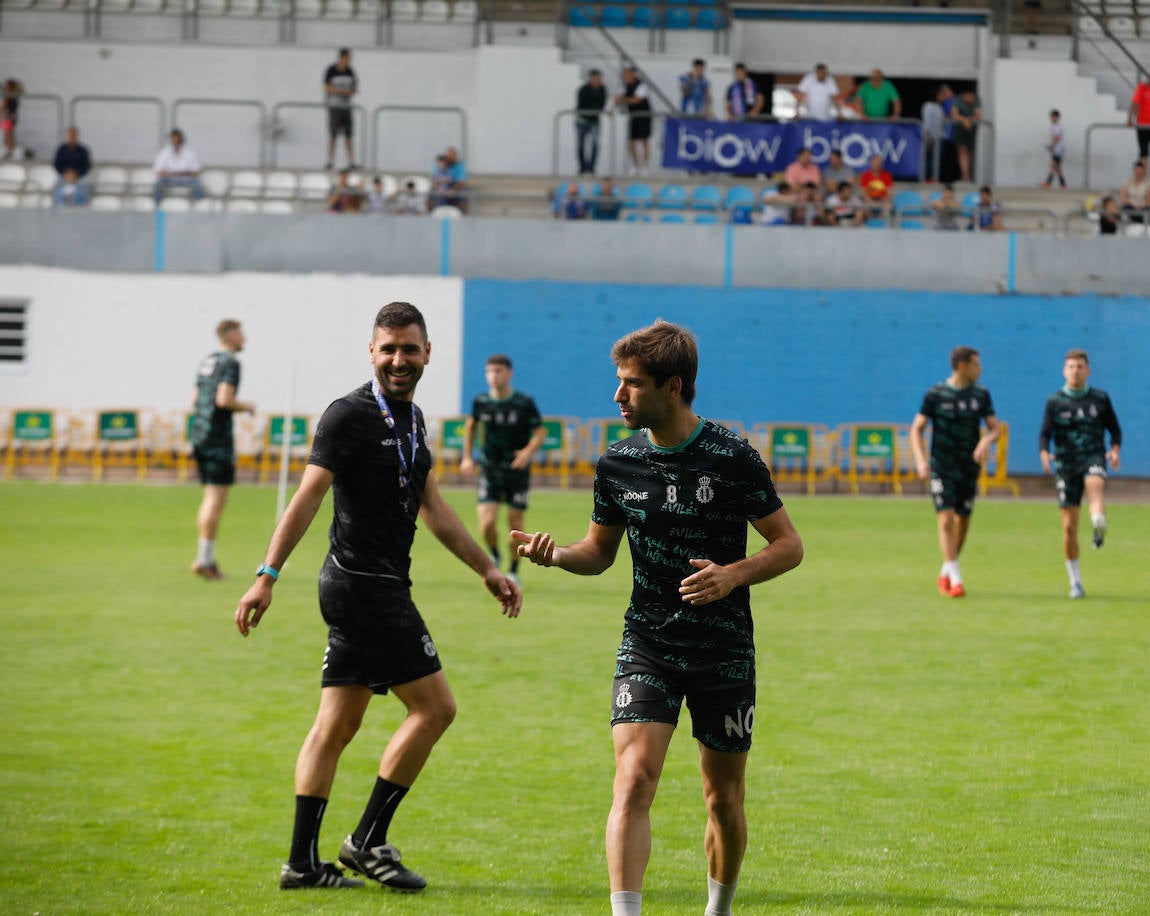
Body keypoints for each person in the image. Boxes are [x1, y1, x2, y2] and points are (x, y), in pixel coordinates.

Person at [510, 319, 804, 916]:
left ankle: (717, 910)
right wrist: (557, 555)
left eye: (632, 384)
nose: (618, 395)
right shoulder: (616, 464)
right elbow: (598, 554)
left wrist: (733, 574)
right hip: (647, 644)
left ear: (673, 387)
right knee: (634, 778)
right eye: (619, 382)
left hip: (724, 650)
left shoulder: (732, 457)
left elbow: (788, 545)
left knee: (722, 797)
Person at [234, 302, 521, 892]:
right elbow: (308, 497)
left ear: (427, 355)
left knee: (335, 727)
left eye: (409, 349)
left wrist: (488, 570)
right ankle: (366, 841)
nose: (398, 359)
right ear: (371, 352)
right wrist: (267, 573)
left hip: (364, 587)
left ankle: (301, 864)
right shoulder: (347, 415)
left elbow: (435, 511)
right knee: (436, 709)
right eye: (388, 348)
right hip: (364, 588)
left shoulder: (414, 422)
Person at [910, 346, 1000, 598]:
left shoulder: (981, 395)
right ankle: (957, 578)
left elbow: (995, 429)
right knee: (946, 518)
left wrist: (985, 441)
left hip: (968, 468)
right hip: (941, 466)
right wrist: (921, 460)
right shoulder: (936, 394)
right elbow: (916, 428)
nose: (980, 370)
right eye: (976, 365)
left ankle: (946, 570)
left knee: (963, 521)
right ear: (962, 366)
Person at [1038, 348, 1122, 599]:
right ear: (1064, 371)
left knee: (1095, 484)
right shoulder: (1055, 401)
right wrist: (1044, 453)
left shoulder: (1100, 399)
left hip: (1093, 456)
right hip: (1066, 463)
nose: (1075, 371)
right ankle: (1075, 580)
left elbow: (1115, 430)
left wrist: (1115, 450)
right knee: (1068, 527)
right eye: (1071, 367)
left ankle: (1098, 522)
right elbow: (1045, 434)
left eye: (1080, 367)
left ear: (1088, 370)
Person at [460, 354, 545, 585]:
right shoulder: (481, 402)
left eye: (498, 371)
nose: (493, 376)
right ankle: (495, 554)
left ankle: (514, 570)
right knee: (486, 524)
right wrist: (467, 457)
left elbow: (540, 432)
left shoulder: (524, 402)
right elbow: (471, 427)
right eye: (489, 371)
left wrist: (527, 452)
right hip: (490, 469)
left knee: (515, 523)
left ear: (509, 374)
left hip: (517, 471)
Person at [189, 319, 255, 581]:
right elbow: (224, 399)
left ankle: (205, 556)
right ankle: (204, 560)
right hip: (217, 439)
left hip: (199, 434)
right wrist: (247, 406)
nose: (245, 339)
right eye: (241, 333)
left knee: (209, 496)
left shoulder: (207, 361)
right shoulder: (230, 362)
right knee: (216, 498)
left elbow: (195, 399)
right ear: (230, 335)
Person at [323, 48, 359, 171]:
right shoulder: (331, 70)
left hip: (346, 107)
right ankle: (330, 161)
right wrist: (343, 91)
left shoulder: (350, 71)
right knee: (333, 134)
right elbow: (327, 88)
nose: (348, 60)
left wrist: (351, 91)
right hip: (334, 107)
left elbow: (354, 88)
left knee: (348, 135)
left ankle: (351, 161)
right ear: (341, 58)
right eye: (347, 58)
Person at [152, 129, 206, 205]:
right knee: (158, 184)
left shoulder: (189, 152)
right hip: (169, 180)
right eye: (174, 139)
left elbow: (196, 172)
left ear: (181, 139)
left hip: (186, 180)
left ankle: (198, 207)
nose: (176, 141)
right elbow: (159, 172)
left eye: (177, 139)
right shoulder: (164, 152)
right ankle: (157, 208)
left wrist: (177, 173)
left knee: (198, 184)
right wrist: (177, 173)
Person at [614, 68, 652, 177]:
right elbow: (618, 98)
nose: (626, 77)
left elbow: (637, 100)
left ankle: (644, 166)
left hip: (644, 116)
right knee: (631, 142)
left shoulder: (641, 86)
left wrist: (623, 99)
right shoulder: (624, 86)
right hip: (633, 116)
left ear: (633, 75)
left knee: (644, 141)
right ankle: (635, 165)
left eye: (628, 75)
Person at [576, 70, 608, 175]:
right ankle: (582, 167)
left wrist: (594, 110)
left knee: (595, 144)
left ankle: (591, 167)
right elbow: (582, 105)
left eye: (598, 78)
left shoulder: (602, 89)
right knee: (581, 145)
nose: (597, 81)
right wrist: (594, 110)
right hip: (582, 120)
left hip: (594, 121)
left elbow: (601, 104)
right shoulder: (583, 89)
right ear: (591, 79)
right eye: (595, 78)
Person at [951, 87, 982, 182]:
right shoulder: (958, 99)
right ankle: (965, 175)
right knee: (962, 151)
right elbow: (954, 114)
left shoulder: (977, 100)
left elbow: (978, 115)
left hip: (971, 130)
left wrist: (969, 120)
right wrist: (964, 120)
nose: (972, 98)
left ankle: (970, 174)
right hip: (959, 130)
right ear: (965, 95)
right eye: (970, 96)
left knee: (970, 152)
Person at [428, 147, 468, 212]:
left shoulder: (460, 165)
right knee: (430, 193)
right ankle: (429, 214)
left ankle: (463, 215)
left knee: (464, 193)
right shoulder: (439, 165)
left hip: (454, 186)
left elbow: (461, 182)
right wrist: (438, 189)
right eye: (449, 156)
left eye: (453, 155)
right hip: (440, 187)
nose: (451, 157)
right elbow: (433, 179)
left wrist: (451, 190)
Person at [921, 88, 948, 183]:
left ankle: (934, 177)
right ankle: (928, 178)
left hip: (940, 137)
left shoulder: (939, 106)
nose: (942, 96)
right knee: (931, 159)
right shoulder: (928, 106)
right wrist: (928, 137)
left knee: (937, 159)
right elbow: (927, 123)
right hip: (932, 137)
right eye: (940, 94)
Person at [857, 153, 893, 218]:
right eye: (876, 163)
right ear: (871, 163)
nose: (878, 165)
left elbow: (889, 193)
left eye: (879, 163)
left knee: (889, 206)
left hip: (882, 200)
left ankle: (880, 223)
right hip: (868, 200)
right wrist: (871, 202)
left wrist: (882, 201)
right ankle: (871, 222)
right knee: (861, 207)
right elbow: (863, 192)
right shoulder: (865, 175)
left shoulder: (887, 175)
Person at [1042, 109, 1066, 189]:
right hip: (1056, 149)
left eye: (1053, 117)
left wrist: (1052, 146)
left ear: (1057, 117)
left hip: (1058, 150)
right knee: (1057, 168)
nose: (1051, 118)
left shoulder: (1058, 127)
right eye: (1051, 117)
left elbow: (1057, 138)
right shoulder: (1054, 126)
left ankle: (1048, 182)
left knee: (1053, 166)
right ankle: (1063, 184)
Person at [2, 77, 23, 160]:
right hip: (13, 116)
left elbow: (3, 107)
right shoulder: (15, 95)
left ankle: (9, 151)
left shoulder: (8, 96)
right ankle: (10, 151)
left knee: (8, 135)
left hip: (8, 117)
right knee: (10, 134)